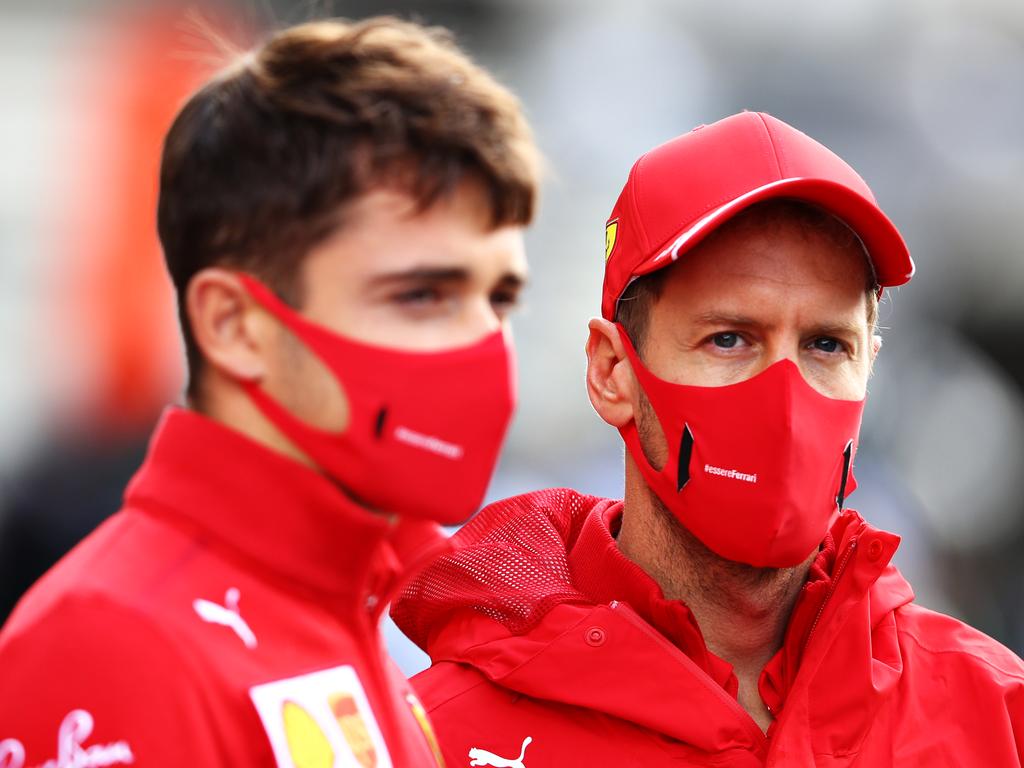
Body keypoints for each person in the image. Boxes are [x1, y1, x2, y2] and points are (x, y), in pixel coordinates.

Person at [392, 112, 1024, 766]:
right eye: (729, 339)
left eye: (827, 345)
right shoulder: (438, 741)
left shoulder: (996, 716)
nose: (785, 398)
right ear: (612, 372)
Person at [0, 16, 539, 768]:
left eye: (500, 299)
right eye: (422, 295)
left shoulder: (360, 612)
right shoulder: (113, 639)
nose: (483, 344)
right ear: (235, 326)